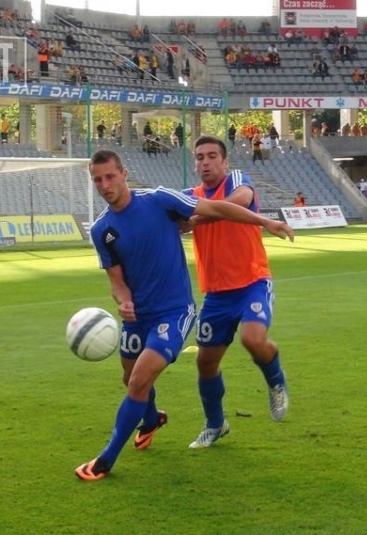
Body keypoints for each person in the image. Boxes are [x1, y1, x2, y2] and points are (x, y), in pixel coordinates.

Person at [76, 149, 293, 481]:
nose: (105, 185)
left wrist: (265, 221)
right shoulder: (101, 230)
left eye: (110, 176)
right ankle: (152, 419)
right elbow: (116, 282)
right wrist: (124, 301)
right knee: (130, 378)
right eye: (97, 180)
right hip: (137, 317)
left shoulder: (159, 200)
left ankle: (105, 460)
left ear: (124, 174)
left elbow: (217, 208)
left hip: (174, 310)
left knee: (139, 380)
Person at [184, 136, 294, 448]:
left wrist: (197, 217)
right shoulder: (190, 196)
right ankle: (215, 424)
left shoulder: (235, 180)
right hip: (217, 293)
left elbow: (242, 200)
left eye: (211, 156)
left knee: (253, 339)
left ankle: (276, 381)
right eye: (200, 157)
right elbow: (176, 221)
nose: (205, 162)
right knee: (205, 363)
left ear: (224, 161)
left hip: (252, 282)